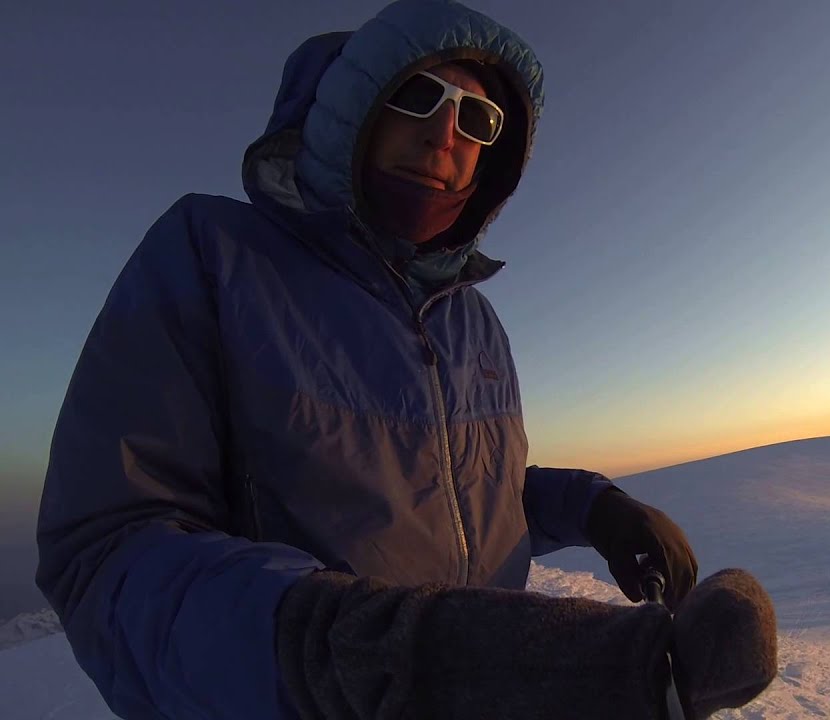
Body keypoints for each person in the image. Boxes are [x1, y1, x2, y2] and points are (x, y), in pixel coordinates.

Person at [34, 1, 777, 719]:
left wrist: (595, 508)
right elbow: (108, 554)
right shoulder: (213, 257)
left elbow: (462, 489)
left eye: (478, 118)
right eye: (420, 97)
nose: (445, 134)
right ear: (353, 109)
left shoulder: (473, 321)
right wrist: (363, 655)